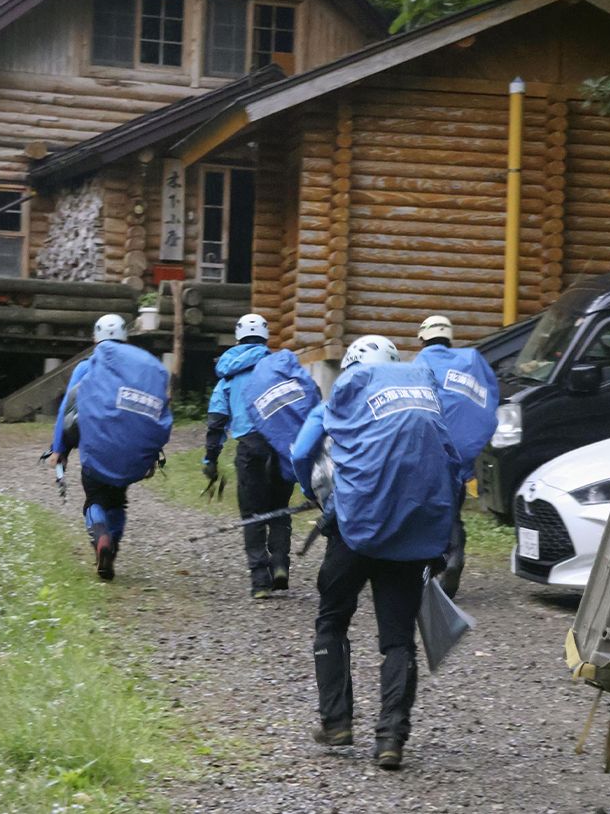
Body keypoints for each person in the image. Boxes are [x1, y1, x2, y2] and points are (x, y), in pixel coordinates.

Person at [291, 334, 460, 770]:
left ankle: (337, 723)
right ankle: (390, 740)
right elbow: (452, 463)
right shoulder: (421, 397)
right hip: (410, 533)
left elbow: (301, 450)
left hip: (355, 526)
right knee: (398, 639)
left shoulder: (345, 394)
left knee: (332, 620)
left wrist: (315, 494)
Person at [49, 314, 173, 581]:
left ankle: (101, 538)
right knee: (117, 502)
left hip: (96, 453)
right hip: (128, 454)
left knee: (94, 500)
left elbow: (66, 409)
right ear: (124, 338)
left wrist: (58, 449)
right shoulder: (139, 369)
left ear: (96, 338)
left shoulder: (87, 367)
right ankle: (111, 549)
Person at [204, 313, 293, 600]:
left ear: (237, 336)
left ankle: (260, 582)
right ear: (266, 337)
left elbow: (217, 421)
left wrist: (210, 460)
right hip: (279, 446)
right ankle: (280, 564)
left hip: (249, 449)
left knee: (251, 515)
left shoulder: (228, 376)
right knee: (279, 509)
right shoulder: (278, 367)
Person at [413, 314, 500, 598]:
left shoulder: (421, 363)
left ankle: (437, 564)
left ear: (422, 338)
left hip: (432, 448)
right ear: (449, 337)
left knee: (428, 508)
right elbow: (491, 397)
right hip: (463, 449)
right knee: (452, 506)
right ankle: (455, 554)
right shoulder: (472, 360)